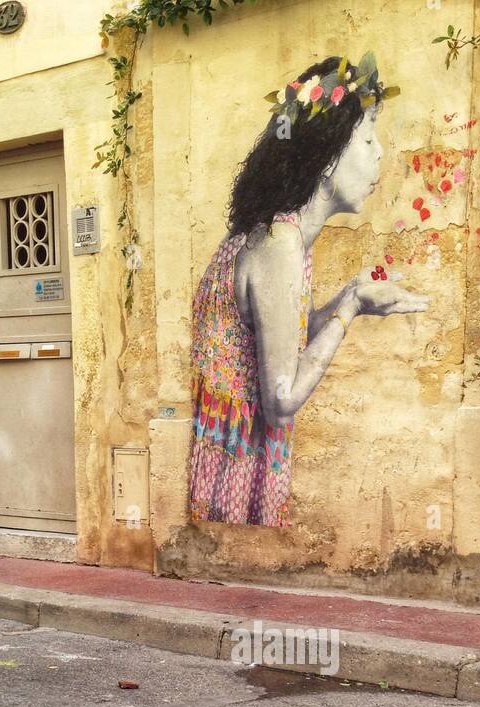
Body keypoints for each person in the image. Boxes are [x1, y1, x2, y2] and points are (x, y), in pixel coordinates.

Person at [188, 52, 429, 529]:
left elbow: (284, 342)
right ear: (324, 160)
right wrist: (353, 305)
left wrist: (349, 297)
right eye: (367, 138)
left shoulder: (278, 236)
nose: (380, 152)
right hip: (239, 472)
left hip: (226, 461)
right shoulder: (279, 249)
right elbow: (280, 402)